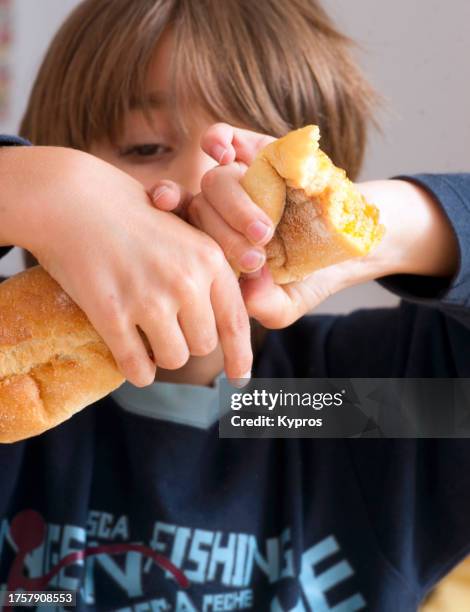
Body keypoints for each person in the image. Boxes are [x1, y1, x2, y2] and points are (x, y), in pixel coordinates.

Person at [0, 1, 469, 610]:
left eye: (247, 160)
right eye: (144, 148)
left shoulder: (351, 407)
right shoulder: (21, 389)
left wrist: (368, 227)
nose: (203, 185)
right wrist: (31, 185)